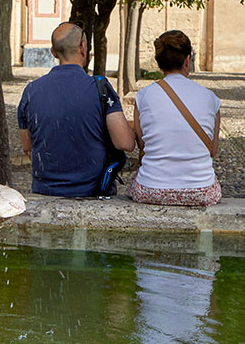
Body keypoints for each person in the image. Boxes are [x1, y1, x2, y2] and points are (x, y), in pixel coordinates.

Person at [17, 21, 135, 197]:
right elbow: (125, 143)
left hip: (46, 192)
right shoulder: (100, 88)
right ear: (83, 47)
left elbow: (28, 146)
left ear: (53, 52)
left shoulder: (31, 91)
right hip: (92, 191)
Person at [129, 30, 221, 207]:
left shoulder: (143, 96)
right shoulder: (211, 98)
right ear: (187, 61)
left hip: (152, 189)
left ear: (160, 63)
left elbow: (142, 145)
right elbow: (213, 150)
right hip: (200, 190)